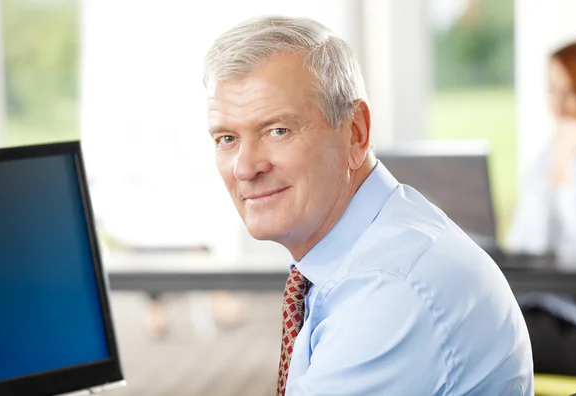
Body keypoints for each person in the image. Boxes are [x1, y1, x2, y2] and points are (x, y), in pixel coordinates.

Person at [204, 16, 533, 395]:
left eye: (278, 130)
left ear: (356, 132)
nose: (245, 167)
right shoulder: (377, 240)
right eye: (227, 138)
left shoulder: (389, 291)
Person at [506, 39, 576, 376]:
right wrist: (555, 169)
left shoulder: (566, 161)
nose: (558, 106)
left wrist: (562, 175)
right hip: (543, 309)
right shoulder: (548, 159)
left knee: (495, 338)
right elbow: (525, 248)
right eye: (552, 91)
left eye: (570, 91)